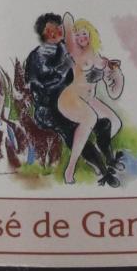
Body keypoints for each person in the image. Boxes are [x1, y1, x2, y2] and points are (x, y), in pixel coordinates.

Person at [23, 11, 125, 185]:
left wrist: (104, 73)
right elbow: (38, 82)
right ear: (42, 34)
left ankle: (105, 158)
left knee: (106, 123)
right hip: (49, 107)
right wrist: (64, 69)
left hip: (74, 99)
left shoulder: (66, 47)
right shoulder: (38, 55)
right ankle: (95, 169)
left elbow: (86, 63)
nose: (54, 33)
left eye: (57, 29)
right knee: (78, 127)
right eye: (49, 31)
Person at [56, 13, 125, 186]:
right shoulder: (75, 52)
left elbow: (114, 93)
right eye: (78, 34)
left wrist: (117, 76)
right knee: (90, 118)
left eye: (84, 33)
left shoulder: (102, 60)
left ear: (91, 35)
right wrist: (71, 26)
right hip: (71, 97)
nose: (81, 38)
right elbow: (67, 22)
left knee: (115, 122)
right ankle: (70, 168)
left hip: (89, 99)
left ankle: (98, 154)